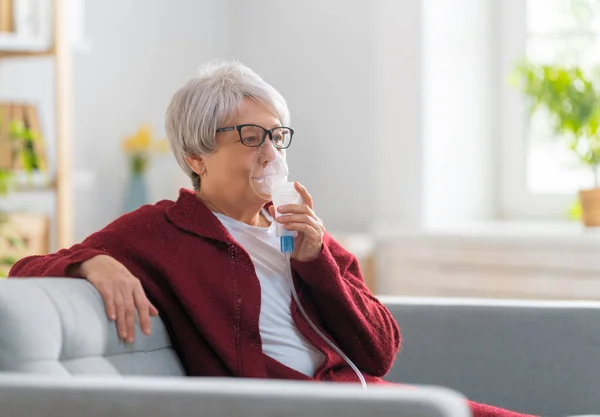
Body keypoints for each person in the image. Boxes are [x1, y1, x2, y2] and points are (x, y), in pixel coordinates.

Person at [10, 61, 535, 417]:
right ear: (196, 157)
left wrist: (316, 259)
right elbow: (25, 268)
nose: (270, 151)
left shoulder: (297, 229)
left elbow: (378, 353)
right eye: (250, 136)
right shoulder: (162, 230)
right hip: (294, 405)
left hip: (355, 396)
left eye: (277, 134)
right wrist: (91, 264)